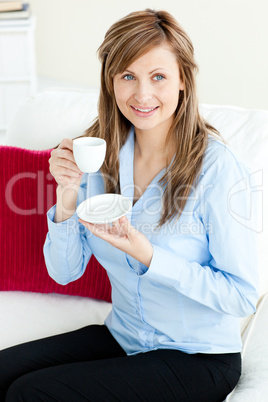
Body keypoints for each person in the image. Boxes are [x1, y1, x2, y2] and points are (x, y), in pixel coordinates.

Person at [0, 8, 259, 402]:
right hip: (124, 335)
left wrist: (150, 256)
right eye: (128, 76)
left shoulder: (218, 168)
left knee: (31, 394)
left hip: (197, 356)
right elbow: (65, 272)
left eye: (158, 77)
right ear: (111, 82)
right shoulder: (100, 153)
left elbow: (240, 295)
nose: (142, 95)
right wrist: (67, 194)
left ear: (183, 81)